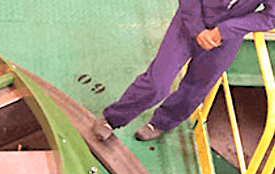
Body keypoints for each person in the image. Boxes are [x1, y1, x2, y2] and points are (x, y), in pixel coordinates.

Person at [95, 0, 275, 142]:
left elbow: (271, 16)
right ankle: (112, 119)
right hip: (190, 21)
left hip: (225, 40)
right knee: (157, 83)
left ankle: (161, 123)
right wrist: (197, 28)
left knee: (195, 90)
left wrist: (226, 30)